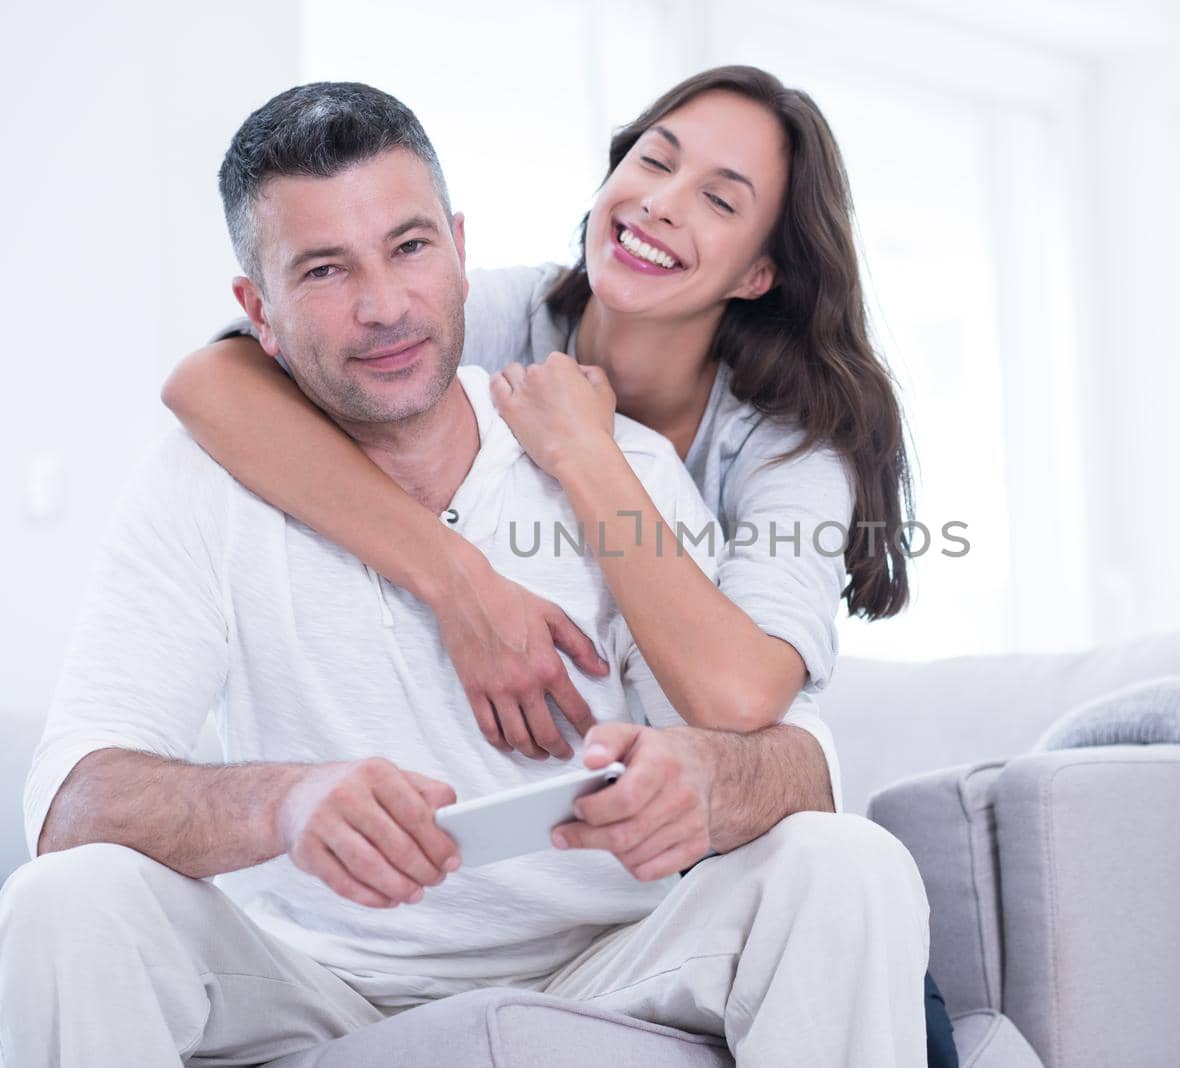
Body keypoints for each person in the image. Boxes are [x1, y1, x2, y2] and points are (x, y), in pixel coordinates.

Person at [0, 82, 929, 1066]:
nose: (385, 306)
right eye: (322, 271)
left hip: (601, 963)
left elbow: (783, 745)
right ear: (256, 313)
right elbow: (72, 806)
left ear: (460, 250)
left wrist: (701, 780)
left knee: (846, 864)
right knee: (62, 903)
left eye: (410, 247)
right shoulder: (204, 477)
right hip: (309, 977)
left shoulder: (696, 459)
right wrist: (285, 801)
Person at [161, 64, 915, 765]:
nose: (659, 202)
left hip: (695, 793)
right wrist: (460, 584)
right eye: (654, 161)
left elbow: (740, 698)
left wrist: (586, 454)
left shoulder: (794, 447)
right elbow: (210, 385)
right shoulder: (501, 314)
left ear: (760, 272)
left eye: (719, 200)